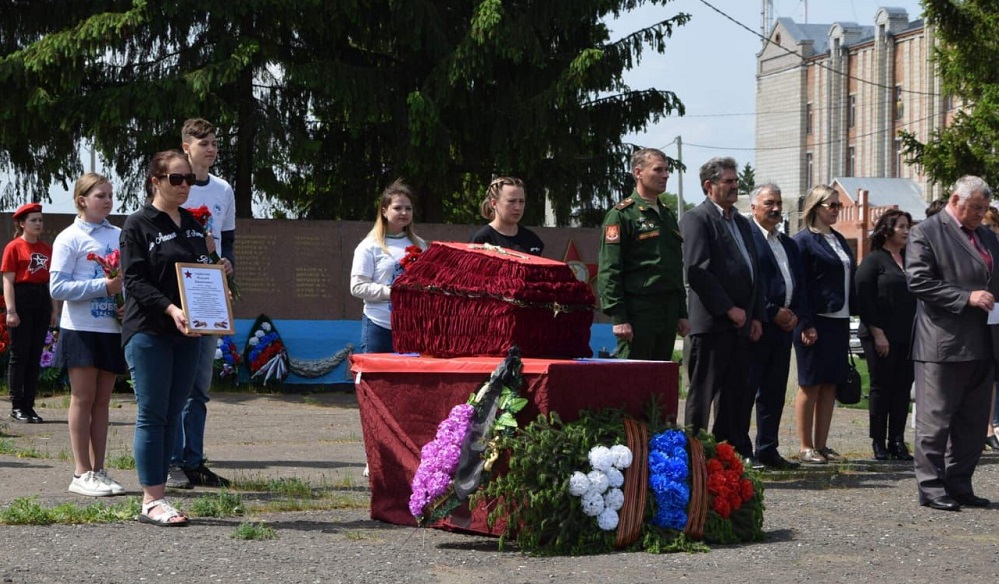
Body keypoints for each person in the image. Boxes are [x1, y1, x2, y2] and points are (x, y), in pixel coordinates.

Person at [121, 150, 226, 526]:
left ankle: (160, 495)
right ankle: (151, 500)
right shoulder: (138, 224)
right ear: (156, 181)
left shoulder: (194, 225)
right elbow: (133, 280)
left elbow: (202, 272)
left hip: (189, 333)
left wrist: (218, 282)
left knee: (173, 413)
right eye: (176, 179)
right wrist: (170, 309)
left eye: (189, 179)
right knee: (152, 414)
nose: (185, 185)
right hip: (149, 331)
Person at [906, 175, 999, 511]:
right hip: (942, 344)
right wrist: (966, 297)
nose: (980, 214)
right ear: (955, 200)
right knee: (935, 421)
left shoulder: (987, 237)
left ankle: (959, 484)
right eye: (975, 207)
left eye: (984, 208)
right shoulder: (926, 232)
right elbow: (919, 282)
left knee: (973, 423)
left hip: (984, 342)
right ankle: (931, 488)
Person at [166, 118, 237, 490]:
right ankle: (172, 461)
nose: (210, 149)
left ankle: (194, 461)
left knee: (200, 387)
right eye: (203, 143)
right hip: (178, 293)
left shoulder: (223, 189)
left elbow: (228, 239)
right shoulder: (175, 185)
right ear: (186, 146)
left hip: (210, 293)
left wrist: (228, 264)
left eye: (214, 143)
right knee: (176, 385)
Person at [680, 156, 763, 463]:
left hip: (741, 326)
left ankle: (724, 458)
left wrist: (756, 315)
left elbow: (754, 270)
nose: (735, 186)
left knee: (733, 397)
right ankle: (694, 456)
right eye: (728, 181)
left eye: (736, 180)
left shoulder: (741, 222)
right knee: (702, 396)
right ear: (709, 185)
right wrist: (728, 308)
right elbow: (698, 272)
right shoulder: (697, 219)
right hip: (712, 325)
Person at [49, 173, 128, 497]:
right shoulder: (69, 238)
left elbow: (129, 279)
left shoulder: (119, 235)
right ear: (82, 200)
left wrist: (126, 304)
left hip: (110, 329)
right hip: (81, 328)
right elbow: (57, 287)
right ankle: (81, 472)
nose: (108, 201)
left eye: (110, 195)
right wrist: (101, 287)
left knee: (103, 401)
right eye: (100, 195)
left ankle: (99, 469)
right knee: (83, 398)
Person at [597, 148, 689, 360]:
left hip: (668, 310)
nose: (665, 175)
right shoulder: (621, 215)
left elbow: (674, 266)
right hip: (639, 311)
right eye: (658, 170)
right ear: (638, 172)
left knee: (660, 375)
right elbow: (610, 269)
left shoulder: (666, 215)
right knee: (635, 375)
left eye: (666, 170)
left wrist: (681, 313)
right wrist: (619, 317)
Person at [792, 184, 856, 465]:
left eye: (838, 205)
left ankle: (822, 444)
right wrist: (806, 322)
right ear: (816, 207)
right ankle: (805, 446)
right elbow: (800, 286)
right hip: (815, 320)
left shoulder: (838, 238)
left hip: (839, 319)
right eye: (832, 205)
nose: (836, 210)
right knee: (811, 383)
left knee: (830, 383)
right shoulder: (803, 241)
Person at [745, 184, 805, 470]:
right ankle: (742, 450)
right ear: (753, 207)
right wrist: (771, 311)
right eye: (769, 202)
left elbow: (799, 282)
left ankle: (768, 448)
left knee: (774, 391)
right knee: (748, 390)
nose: (776, 208)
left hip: (784, 328)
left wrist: (796, 315)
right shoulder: (748, 238)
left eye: (778, 203)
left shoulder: (787, 243)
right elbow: (747, 284)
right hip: (759, 325)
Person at [855, 209, 916, 461]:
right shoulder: (874, 260)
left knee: (902, 388)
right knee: (882, 387)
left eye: (908, 226)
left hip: (908, 335)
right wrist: (878, 333)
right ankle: (879, 441)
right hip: (880, 335)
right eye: (901, 226)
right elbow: (863, 298)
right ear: (887, 229)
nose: (906, 231)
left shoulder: (910, 259)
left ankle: (897, 440)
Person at [350, 179, 427, 354]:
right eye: (398, 208)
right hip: (379, 326)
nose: (404, 212)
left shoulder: (421, 245)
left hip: (412, 327)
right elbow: (357, 287)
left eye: (408, 208)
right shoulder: (369, 246)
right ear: (384, 211)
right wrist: (392, 292)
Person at [3, 203, 58, 423]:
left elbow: (51, 282)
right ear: (22, 224)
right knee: (20, 355)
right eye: (33, 220)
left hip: (41, 299)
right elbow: (8, 281)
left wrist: (54, 310)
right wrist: (11, 311)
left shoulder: (47, 249)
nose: (38, 224)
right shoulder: (14, 247)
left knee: (35, 356)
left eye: (40, 220)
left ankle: (29, 405)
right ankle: (16, 405)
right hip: (22, 298)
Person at [469, 177, 544, 255]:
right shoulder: (481, 240)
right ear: (494, 203)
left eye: (521, 201)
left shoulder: (532, 240)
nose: (518, 207)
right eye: (511, 201)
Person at [983, 207, 999, 452]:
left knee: (994, 371)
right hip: (978, 312)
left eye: (993, 226)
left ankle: (990, 426)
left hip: (996, 314)